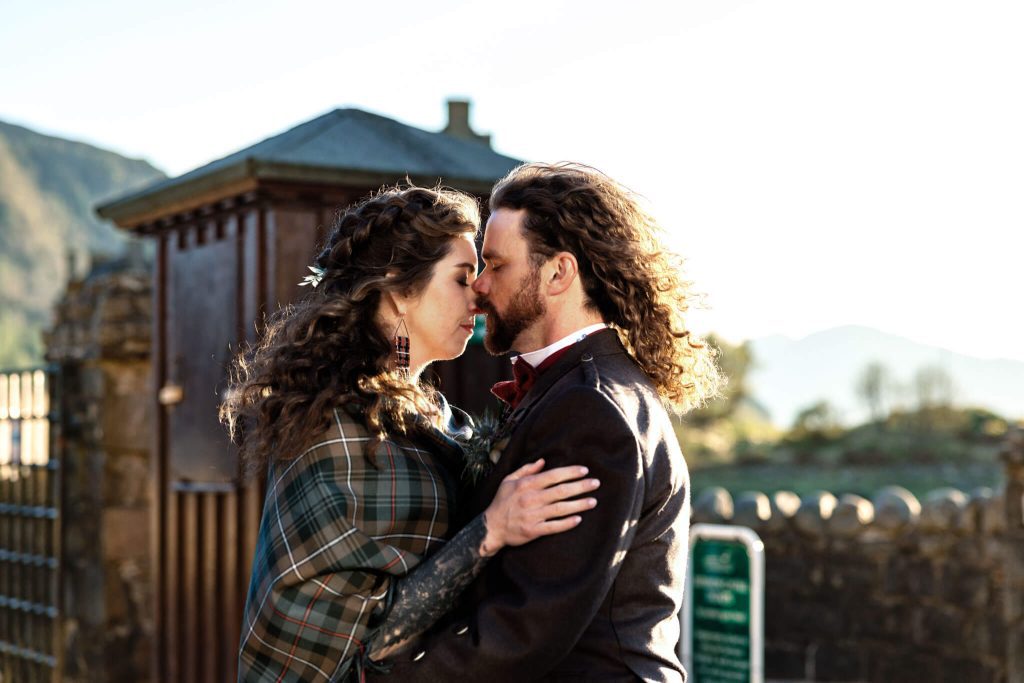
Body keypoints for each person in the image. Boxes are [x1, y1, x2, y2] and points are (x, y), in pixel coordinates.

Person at [221, 186, 599, 682]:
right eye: (462, 279)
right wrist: (492, 531)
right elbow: (368, 635)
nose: (480, 294)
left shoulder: (436, 416)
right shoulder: (339, 427)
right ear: (400, 290)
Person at [371, 163, 722, 682]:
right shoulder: (584, 388)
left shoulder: (592, 410)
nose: (481, 288)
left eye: (495, 266)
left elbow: (526, 629)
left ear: (559, 273)